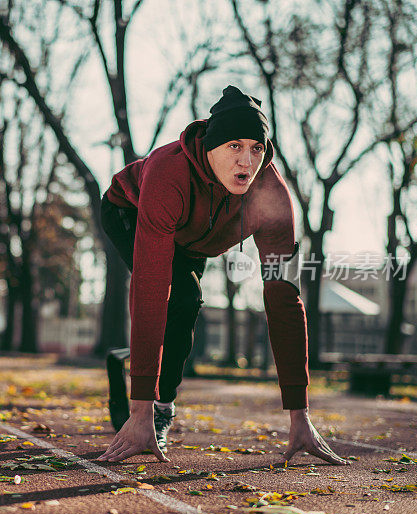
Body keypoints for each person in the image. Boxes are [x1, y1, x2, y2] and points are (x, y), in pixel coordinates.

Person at [97, 86, 348, 466]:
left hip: (195, 238)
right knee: (180, 298)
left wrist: (300, 415)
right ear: (210, 147)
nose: (246, 161)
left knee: (183, 305)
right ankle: (158, 409)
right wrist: (140, 409)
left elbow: (284, 298)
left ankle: (134, 368)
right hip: (129, 212)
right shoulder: (169, 174)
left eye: (256, 148)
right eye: (234, 146)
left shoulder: (272, 196)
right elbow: (150, 291)